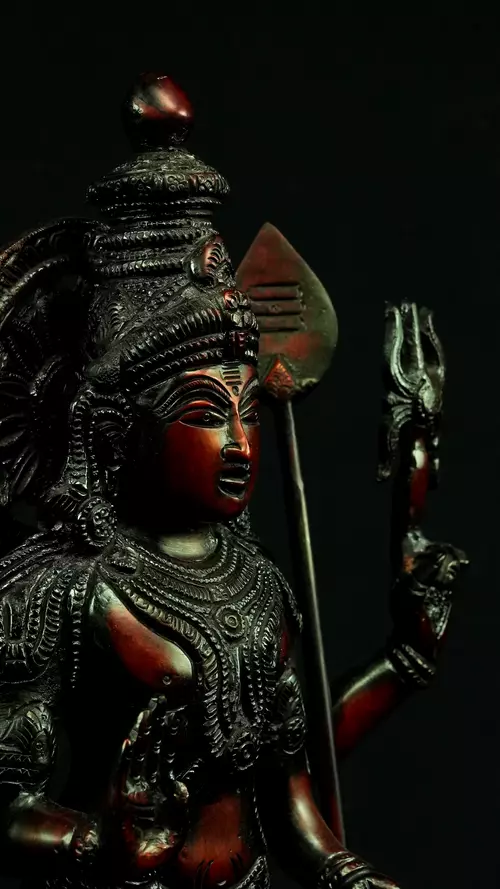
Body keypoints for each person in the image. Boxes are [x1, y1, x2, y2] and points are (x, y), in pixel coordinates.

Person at [0, 73, 465, 889]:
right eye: (208, 411)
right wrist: (95, 841)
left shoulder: (255, 584)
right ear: (115, 429)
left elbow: (292, 797)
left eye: (249, 408)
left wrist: (348, 873)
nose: (241, 440)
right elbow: (7, 806)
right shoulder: (57, 594)